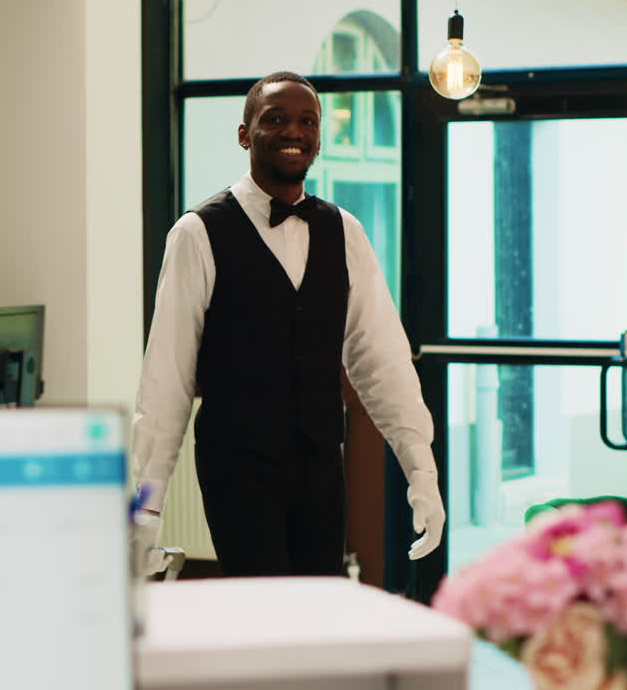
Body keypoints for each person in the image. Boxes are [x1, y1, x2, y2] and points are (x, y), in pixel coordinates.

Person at [130, 71, 444, 577]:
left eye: (307, 121)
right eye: (274, 119)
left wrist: (420, 467)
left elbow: (381, 359)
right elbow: (166, 380)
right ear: (244, 133)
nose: (293, 131)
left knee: (321, 612)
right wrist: (145, 503)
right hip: (238, 468)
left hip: (321, 465)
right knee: (264, 614)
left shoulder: (344, 230)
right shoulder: (197, 232)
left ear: (319, 137)